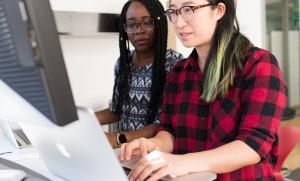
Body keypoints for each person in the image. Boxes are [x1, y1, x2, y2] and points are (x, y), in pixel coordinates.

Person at [118, 0, 287, 180]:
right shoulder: (178, 72)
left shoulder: (259, 64)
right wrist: (153, 145)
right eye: (174, 12)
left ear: (219, 10)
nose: (179, 22)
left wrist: (182, 162)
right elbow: (169, 130)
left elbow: (253, 145)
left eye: (189, 9)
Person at [95, 0, 183, 149]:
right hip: (124, 153)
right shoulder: (123, 63)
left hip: (154, 153)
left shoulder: (174, 64)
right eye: (131, 24)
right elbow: (116, 111)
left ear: (159, 24)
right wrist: (84, 120)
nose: (139, 30)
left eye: (147, 22)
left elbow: (162, 123)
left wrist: (118, 139)